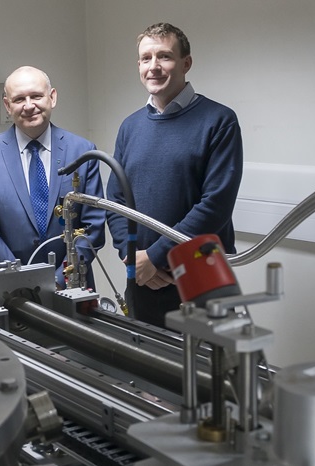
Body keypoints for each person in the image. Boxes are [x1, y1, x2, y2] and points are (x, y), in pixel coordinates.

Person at [106, 23, 243, 327]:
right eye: (145, 58)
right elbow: (115, 199)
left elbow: (215, 206)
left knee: (208, 369)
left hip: (201, 274)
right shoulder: (130, 127)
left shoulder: (219, 121)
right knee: (146, 366)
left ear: (186, 63)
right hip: (142, 278)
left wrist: (156, 257)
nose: (153, 67)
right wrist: (132, 257)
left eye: (164, 57)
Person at [0, 66, 105, 289]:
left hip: (73, 286)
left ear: (52, 97)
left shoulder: (83, 151)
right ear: (7, 105)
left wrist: (60, 279)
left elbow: (93, 227)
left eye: (36, 96)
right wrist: (23, 280)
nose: (29, 105)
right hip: (11, 291)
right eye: (19, 98)